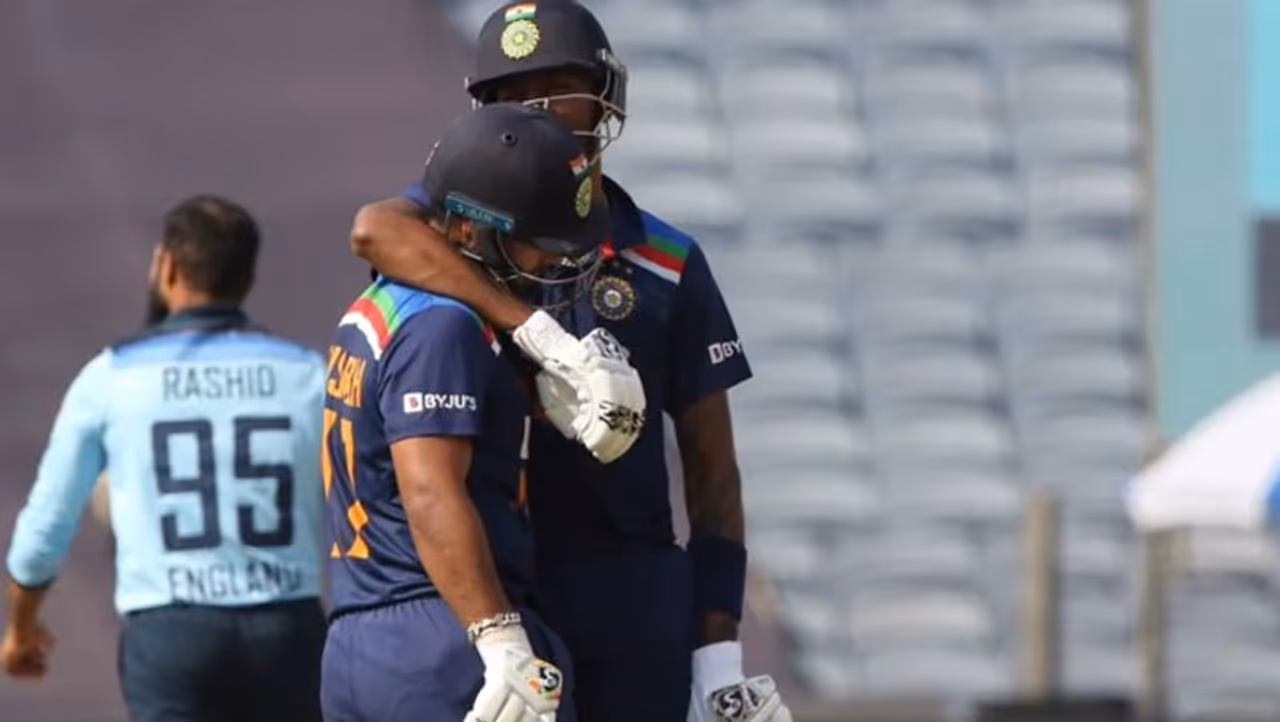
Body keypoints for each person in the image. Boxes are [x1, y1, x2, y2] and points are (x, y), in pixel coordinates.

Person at [348, 3, 792, 722]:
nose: (538, 111)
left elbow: (714, 471)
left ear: (605, 95)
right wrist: (534, 331)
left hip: (628, 581)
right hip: (498, 577)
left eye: (558, 88)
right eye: (514, 95)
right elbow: (375, 229)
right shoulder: (459, 227)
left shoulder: (668, 260)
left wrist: (718, 655)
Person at [320, 102, 640, 722]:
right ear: (469, 231)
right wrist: (500, 639)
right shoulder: (444, 327)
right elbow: (428, 491)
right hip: (445, 632)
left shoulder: (384, 302)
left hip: (362, 637)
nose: (551, 262)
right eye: (536, 243)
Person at [3, 196, 328, 722]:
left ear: (167, 267)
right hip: (286, 629)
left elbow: (43, 530)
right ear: (248, 278)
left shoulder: (111, 377)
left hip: (171, 634)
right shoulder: (307, 374)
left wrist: (22, 628)